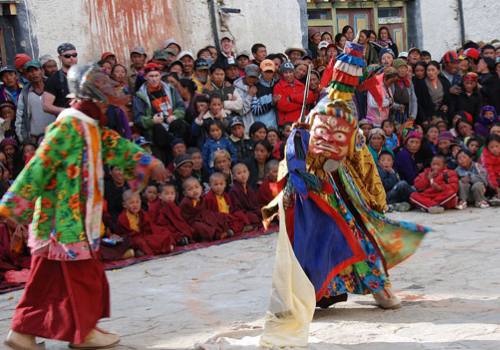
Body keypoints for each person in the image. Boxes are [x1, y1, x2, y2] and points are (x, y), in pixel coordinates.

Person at [0, 64, 167, 349]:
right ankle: (84, 330)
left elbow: (116, 146)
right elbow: (39, 166)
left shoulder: (89, 127)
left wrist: (147, 161)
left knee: (46, 281)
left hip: (72, 220)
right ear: (92, 100)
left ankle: (23, 332)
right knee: (83, 277)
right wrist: (13, 206)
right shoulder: (68, 126)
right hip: (63, 221)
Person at [260, 99, 428, 348]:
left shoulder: (338, 130)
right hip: (317, 197)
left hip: (339, 193)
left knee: (349, 239)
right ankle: (325, 294)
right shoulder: (304, 132)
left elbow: (363, 164)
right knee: (330, 243)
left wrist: (373, 197)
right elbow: (293, 166)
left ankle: (373, 289)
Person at [134, 63, 186, 162]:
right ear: (145, 77)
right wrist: (152, 121)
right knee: (158, 130)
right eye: (151, 76)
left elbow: (181, 106)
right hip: (156, 132)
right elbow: (138, 119)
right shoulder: (140, 95)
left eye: (156, 75)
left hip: (172, 124)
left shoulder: (170, 89)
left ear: (160, 76)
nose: (154, 79)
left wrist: (175, 116)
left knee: (179, 124)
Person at [117, 190, 174, 256]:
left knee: (164, 232)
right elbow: (125, 234)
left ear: (141, 202)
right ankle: (149, 252)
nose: (135, 205)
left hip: (144, 235)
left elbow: (149, 227)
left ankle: (142, 251)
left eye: (137, 202)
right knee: (141, 242)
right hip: (132, 238)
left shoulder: (142, 213)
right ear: (124, 205)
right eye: (131, 203)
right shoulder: (123, 217)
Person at [16, 60, 57, 145]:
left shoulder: (54, 87)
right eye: (30, 71)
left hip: (56, 135)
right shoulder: (25, 93)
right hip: (35, 139)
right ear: (26, 75)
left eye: (36, 70)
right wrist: (24, 140)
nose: (33, 73)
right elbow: (20, 118)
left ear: (42, 71)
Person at [179, 177, 232, 241]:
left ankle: (225, 229)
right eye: (190, 189)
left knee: (216, 216)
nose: (195, 191)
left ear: (201, 188)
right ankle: (217, 235)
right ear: (185, 193)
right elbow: (186, 218)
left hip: (204, 217)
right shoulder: (185, 203)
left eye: (196, 187)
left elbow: (205, 211)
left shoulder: (202, 198)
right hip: (194, 222)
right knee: (200, 227)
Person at [274, 62, 315, 127]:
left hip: (302, 122)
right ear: (282, 74)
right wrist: (302, 105)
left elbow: (310, 97)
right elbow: (282, 106)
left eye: (290, 72)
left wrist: (291, 98)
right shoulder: (278, 86)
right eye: (285, 73)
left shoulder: (301, 85)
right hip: (287, 124)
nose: (288, 75)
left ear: (294, 72)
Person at [43, 43, 78, 116]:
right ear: (60, 58)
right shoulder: (53, 80)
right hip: (66, 123)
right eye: (67, 56)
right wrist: (67, 111)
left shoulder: (83, 75)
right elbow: (46, 106)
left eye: (74, 55)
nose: (71, 58)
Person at [251, 59, 278, 128]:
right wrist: (271, 103)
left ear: (274, 72)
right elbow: (255, 110)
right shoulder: (255, 87)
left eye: (270, 71)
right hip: (261, 127)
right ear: (261, 71)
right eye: (266, 71)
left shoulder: (278, 85)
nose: (268, 74)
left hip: (275, 127)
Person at [233, 64, 260, 133]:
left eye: (254, 77)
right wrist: (250, 95)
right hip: (242, 127)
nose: (252, 79)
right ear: (245, 74)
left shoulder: (256, 86)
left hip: (256, 127)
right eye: (250, 76)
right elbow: (241, 111)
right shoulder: (236, 89)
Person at [390, 59, 417, 125]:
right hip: (393, 113)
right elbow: (388, 100)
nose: (403, 70)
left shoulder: (408, 82)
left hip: (406, 113)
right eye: (400, 68)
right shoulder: (391, 82)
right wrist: (398, 106)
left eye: (405, 68)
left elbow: (413, 100)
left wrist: (413, 116)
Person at [480, 134, 500, 205]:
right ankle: (494, 197)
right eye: (491, 147)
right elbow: (490, 173)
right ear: (487, 148)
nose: (494, 149)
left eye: (497, 146)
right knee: (490, 183)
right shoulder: (486, 157)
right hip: (491, 179)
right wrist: (496, 187)